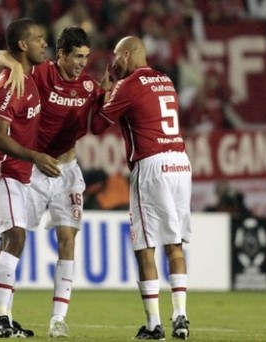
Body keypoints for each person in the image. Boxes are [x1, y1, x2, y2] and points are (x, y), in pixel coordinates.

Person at [0, 26, 110, 338]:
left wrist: (108, 94)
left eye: (86, 57)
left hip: (67, 170)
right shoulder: (39, 74)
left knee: (67, 240)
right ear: (61, 55)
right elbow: (3, 52)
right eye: (76, 57)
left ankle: (58, 319)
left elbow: (99, 125)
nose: (81, 64)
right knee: (11, 241)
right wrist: (13, 63)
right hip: (33, 168)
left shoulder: (89, 86)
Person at [90, 36, 191, 340]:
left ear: (130, 54)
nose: (114, 61)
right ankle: (181, 317)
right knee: (175, 244)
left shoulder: (128, 84)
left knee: (144, 246)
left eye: (117, 55)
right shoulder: (166, 80)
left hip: (152, 166)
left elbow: (97, 126)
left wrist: (103, 91)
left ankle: (154, 326)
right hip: (181, 163)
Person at [0, 18, 60, 338]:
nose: (43, 44)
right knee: (16, 238)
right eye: (38, 39)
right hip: (3, 170)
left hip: (19, 173)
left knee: (7, 244)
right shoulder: (12, 84)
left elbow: (1, 51)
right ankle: (1, 321)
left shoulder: (30, 71)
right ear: (23, 45)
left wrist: (11, 59)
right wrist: (35, 156)